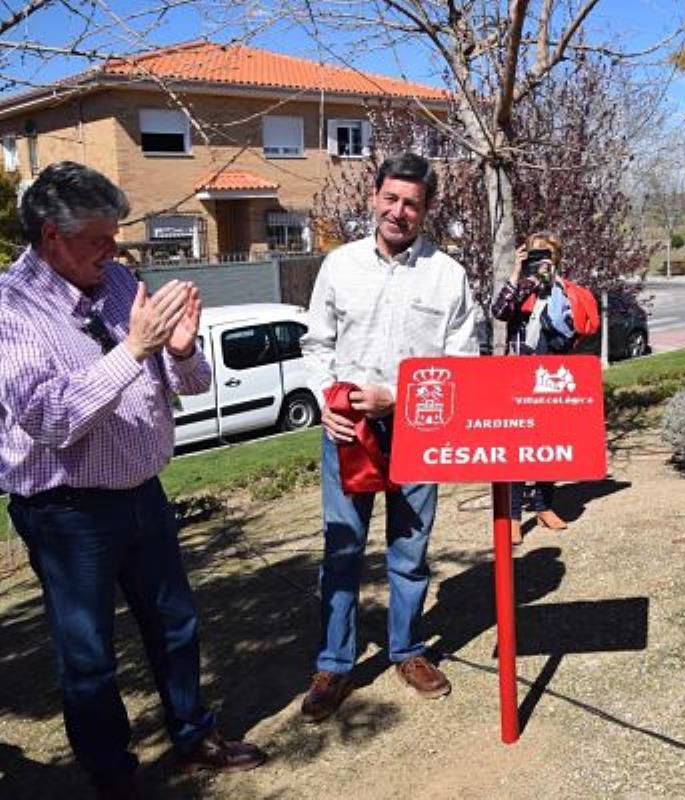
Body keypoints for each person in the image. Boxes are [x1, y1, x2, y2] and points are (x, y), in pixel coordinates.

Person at [0, 161, 267, 799]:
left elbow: (188, 383)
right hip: (65, 511)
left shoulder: (118, 281)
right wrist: (134, 349)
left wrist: (180, 349)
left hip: (142, 491)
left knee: (175, 623)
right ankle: (113, 774)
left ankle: (193, 735)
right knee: (88, 655)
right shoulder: (10, 308)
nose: (114, 251)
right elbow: (51, 418)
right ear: (52, 238)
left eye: (115, 236)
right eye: (99, 239)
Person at [299, 153, 479, 720]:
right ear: (374, 197)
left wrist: (399, 399)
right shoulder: (339, 265)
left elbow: (462, 364)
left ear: (427, 209)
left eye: (412, 204)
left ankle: (407, 650)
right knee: (342, 551)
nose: (399, 212)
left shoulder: (447, 275)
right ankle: (334, 663)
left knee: (410, 550)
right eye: (391, 199)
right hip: (347, 428)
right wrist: (326, 401)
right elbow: (316, 344)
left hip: (418, 428)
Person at [491, 231, 600, 544]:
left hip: (553, 375)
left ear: (557, 259)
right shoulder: (522, 288)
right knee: (517, 448)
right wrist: (517, 272)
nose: (541, 260)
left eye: (547, 254)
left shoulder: (565, 292)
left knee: (549, 444)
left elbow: (577, 330)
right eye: (535, 254)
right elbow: (500, 311)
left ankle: (543, 506)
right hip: (519, 375)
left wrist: (552, 288)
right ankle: (513, 516)